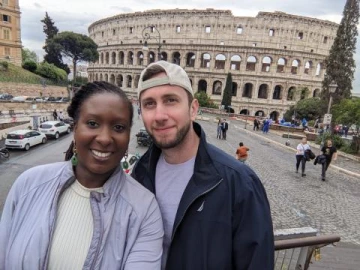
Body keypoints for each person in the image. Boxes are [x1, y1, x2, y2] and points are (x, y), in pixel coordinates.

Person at [0, 81, 163, 269]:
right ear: (75, 128)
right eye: (92, 123)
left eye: (118, 127)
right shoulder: (28, 184)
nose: (104, 138)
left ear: (128, 136)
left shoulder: (145, 209)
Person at [132, 61, 274, 270]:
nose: (160, 115)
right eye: (149, 104)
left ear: (193, 109)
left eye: (171, 100)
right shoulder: (139, 175)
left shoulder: (240, 183)